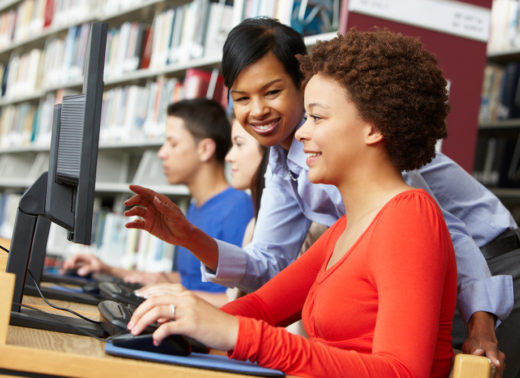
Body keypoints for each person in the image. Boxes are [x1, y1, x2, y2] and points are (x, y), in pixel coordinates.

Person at [122, 17, 515, 374]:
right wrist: (187, 320)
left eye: (315, 117)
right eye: (241, 98)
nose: (301, 133)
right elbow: (268, 274)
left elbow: (454, 238)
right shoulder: (315, 191)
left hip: (492, 261)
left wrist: (483, 324)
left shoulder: (406, 210)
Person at [62, 98, 254, 307]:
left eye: (172, 143)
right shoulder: (195, 207)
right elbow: (192, 281)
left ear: (205, 149)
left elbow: (240, 299)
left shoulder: (237, 209)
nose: (162, 153)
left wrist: (174, 297)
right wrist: (108, 270)